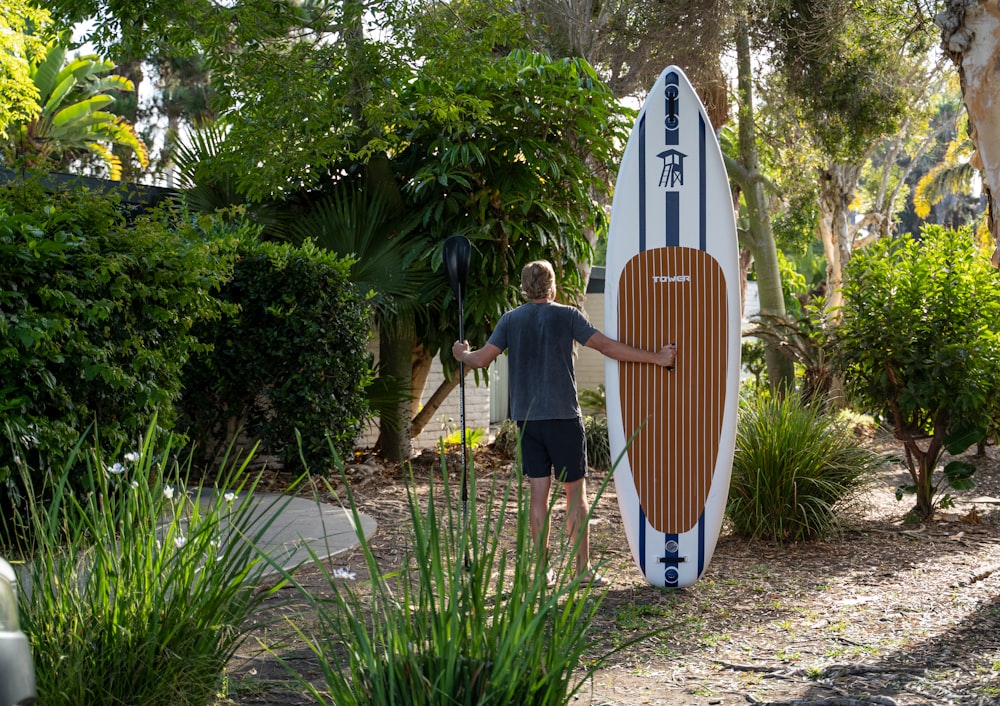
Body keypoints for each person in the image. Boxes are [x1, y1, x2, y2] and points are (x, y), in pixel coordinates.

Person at [452, 260, 676, 586]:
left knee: (537, 496)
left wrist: (462, 355)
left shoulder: (510, 320)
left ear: (524, 288)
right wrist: (656, 358)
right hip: (564, 419)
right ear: (552, 286)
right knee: (576, 496)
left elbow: (481, 359)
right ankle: (582, 571)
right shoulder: (568, 315)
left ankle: (542, 574)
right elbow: (607, 347)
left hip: (528, 422)